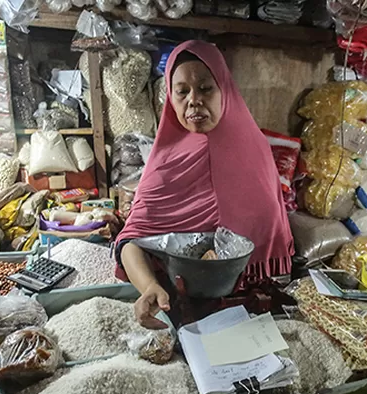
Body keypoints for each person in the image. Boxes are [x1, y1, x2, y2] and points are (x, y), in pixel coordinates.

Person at [115, 40, 294, 329]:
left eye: (206, 88)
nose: (193, 100)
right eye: (182, 91)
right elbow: (130, 242)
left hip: (251, 309)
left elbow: (271, 238)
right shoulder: (165, 163)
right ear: (170, 99)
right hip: (178, 303)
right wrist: (148, 287)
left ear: (225, 90)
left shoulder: (254, 150)